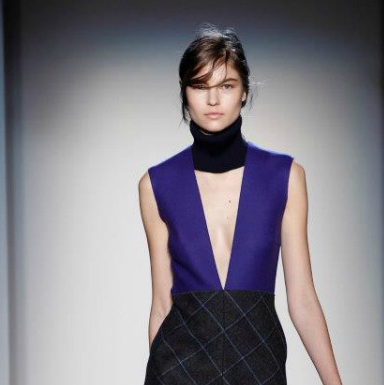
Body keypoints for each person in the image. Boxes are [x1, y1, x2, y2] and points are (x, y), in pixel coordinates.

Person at [138, 23, 343, 385]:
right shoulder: (157, 184)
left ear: (244, 91)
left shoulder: (284, 177)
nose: (213, 100)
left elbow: (303, 299)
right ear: (185, 92)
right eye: (200, 86)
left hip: (258, 367)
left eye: (226, 86)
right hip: (178, 371)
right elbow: (161, 304)